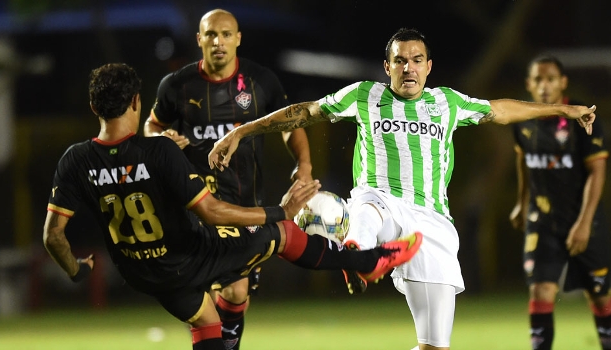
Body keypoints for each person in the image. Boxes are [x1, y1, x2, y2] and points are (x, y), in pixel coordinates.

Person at [208, 28, 597, 350]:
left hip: (433, 223)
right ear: (387, 66)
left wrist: (562, 110)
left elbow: (500, 110)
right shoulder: (365, 95)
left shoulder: (447, 102)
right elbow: (305, 112)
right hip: (379, 201)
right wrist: (242, 130)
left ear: (428, 67)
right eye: (399, 60)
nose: (407, 68)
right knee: (367, 209)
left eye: (415, 60)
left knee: (434, 345)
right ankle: (356, 253)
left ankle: (350, 245)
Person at [42, 63, 422, 350]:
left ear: (94, 105)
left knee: (207, 321)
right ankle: (367, 262)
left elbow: (53, 236)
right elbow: (212, 212)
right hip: (188, 256)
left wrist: (75, 271)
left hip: (142, 272)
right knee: (284, 234)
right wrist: (280, 212)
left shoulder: (74, 160)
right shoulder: (157, 151)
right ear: (137, 102)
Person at [143, 9, 313, 349]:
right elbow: (151, 127)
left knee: (238, 295)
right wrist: (162, 140)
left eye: (225, 34)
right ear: (199, 40)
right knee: (221, 291)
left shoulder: (260, 81)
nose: (218, 41)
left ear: (238, 38)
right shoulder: (176, 85)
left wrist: (304, 165)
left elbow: (288, 124)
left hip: (246, 201)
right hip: (198, 205)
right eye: (210, 35)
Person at [509, 55, 611, 350]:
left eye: (550, 79)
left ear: (562, 82)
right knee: (540, 291)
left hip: (583, 221)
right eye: (537, 80)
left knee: (600, 294)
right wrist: (521, 202)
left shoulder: (582, 119)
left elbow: (597, 171)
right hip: (542, 220)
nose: (544, 86)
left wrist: (584, 223)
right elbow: (523, 162)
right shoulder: (523, 121)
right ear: (529, 84)